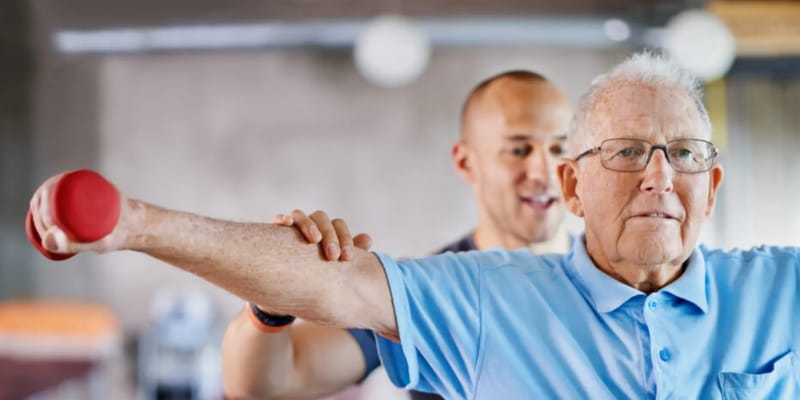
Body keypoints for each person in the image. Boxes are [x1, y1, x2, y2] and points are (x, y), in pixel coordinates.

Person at [28, 52, 800, 399]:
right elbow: (297, 333)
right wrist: (133, 223)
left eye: (684, 153)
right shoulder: (472, 296)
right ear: (578, 183)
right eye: (629, 152)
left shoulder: (779, 287)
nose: (660, 175)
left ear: (713, 180)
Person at [220, 70, 574, 400]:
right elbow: (267, 384)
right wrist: (272, 300)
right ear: (466, 162)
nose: (544, 172)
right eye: (518, 149)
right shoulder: (421, 292)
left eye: (559, 149)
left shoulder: (613, 280)